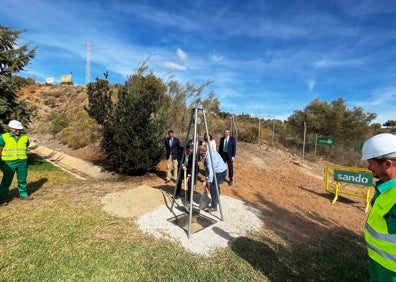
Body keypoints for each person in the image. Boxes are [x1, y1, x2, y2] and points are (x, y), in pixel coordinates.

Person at [361, 133, 396, 281]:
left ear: (387, 164)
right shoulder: (385, 186)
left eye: (371, 163)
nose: (369, 167)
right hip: (379, 261)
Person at [0, 120, 32, 206]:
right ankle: (3, 198)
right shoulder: (3, 137)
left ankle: (23, 195)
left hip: (22, 162)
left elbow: (26, 146)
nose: (18, 131)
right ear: (10, 128)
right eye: (16, 129)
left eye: (19, 129)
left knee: (22, 179)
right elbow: (0, 149)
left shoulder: (25, 137)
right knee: (6, 180)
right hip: (9, 162)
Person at [199, 145, 227, 212]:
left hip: (219, 172)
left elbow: (211, 173)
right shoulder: (210, 151)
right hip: (222, 170)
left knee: (213, 187)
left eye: (200, 154)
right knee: (216, 185)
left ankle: (214, 206)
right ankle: (216, 200)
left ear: (203, 153)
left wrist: (208, 184)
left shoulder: (209, 158)